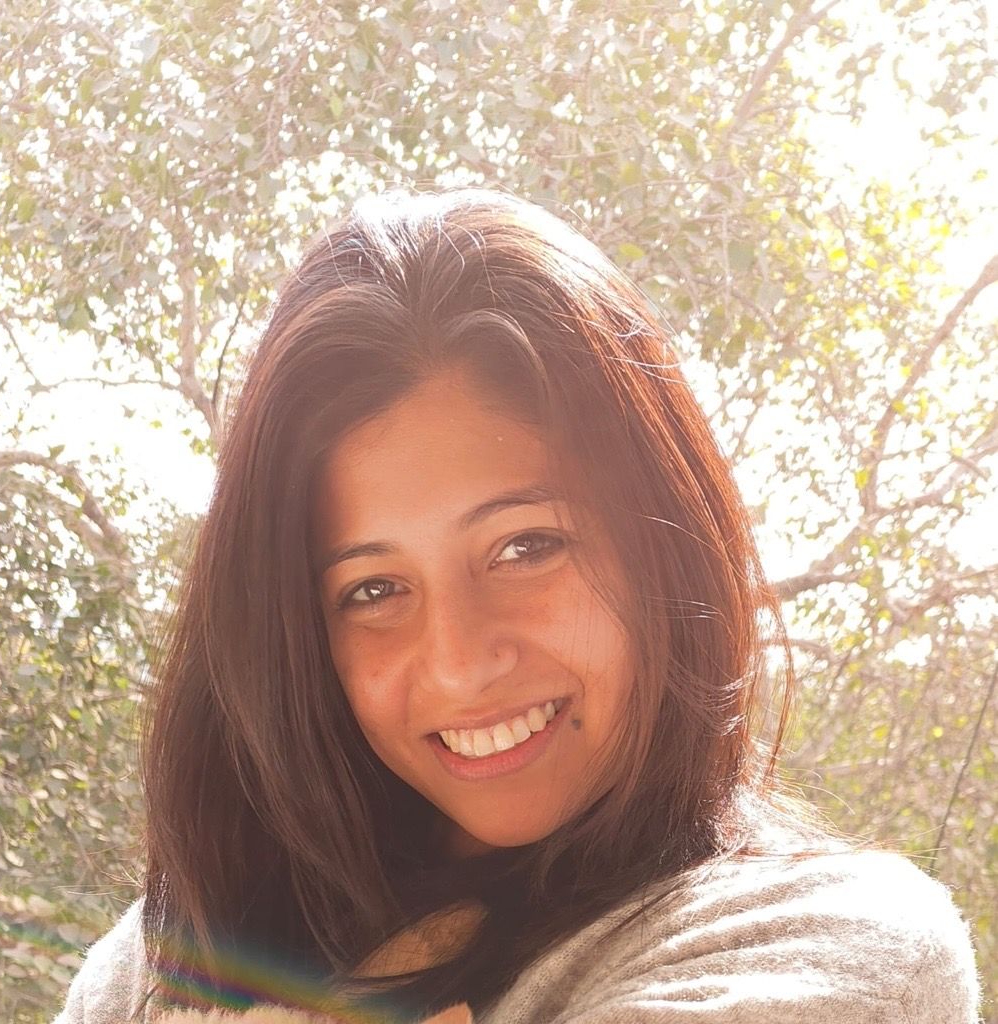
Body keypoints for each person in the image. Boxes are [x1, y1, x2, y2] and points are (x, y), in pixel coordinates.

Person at [53, 187, 981, 1024]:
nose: (460, 664)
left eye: (526, 547)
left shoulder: (821, 945)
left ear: (664, 545)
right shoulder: (167, 955)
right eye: (372, 590)